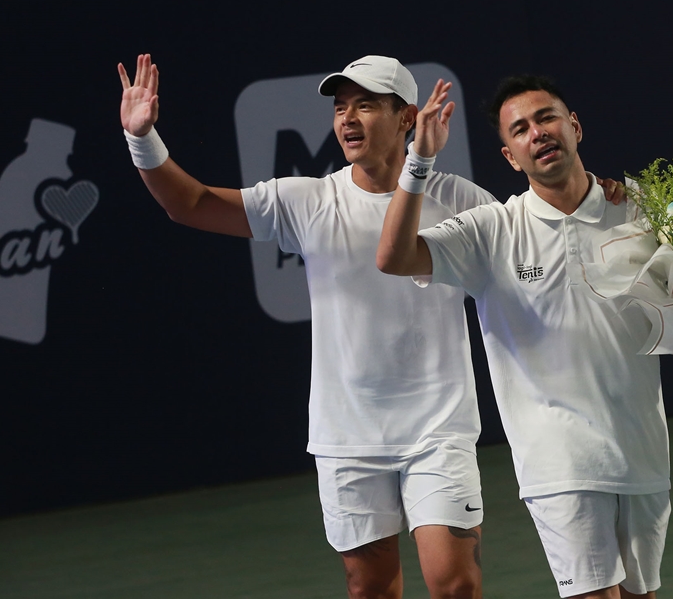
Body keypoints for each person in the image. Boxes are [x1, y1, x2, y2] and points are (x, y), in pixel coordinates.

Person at [118, 53, 495, 599]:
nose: (347, 119)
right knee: (371, 591)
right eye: (341, 107)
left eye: (365, 105)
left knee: (455, 585)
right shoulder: (307, 200)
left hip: (437, 432)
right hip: (348, 439)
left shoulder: (461, 201)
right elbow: (191, 203)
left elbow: (528, 248)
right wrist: (142, 138)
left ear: (407, 117)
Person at [377, 76, 673, 598]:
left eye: (546, 118)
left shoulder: (645, 212)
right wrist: (418, 161)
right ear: (510, 156)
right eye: (520, 129)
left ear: (574, 126)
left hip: (642, 449)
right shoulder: (491, 230)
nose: (537, 133)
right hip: (557, 457)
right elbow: (393, 257)